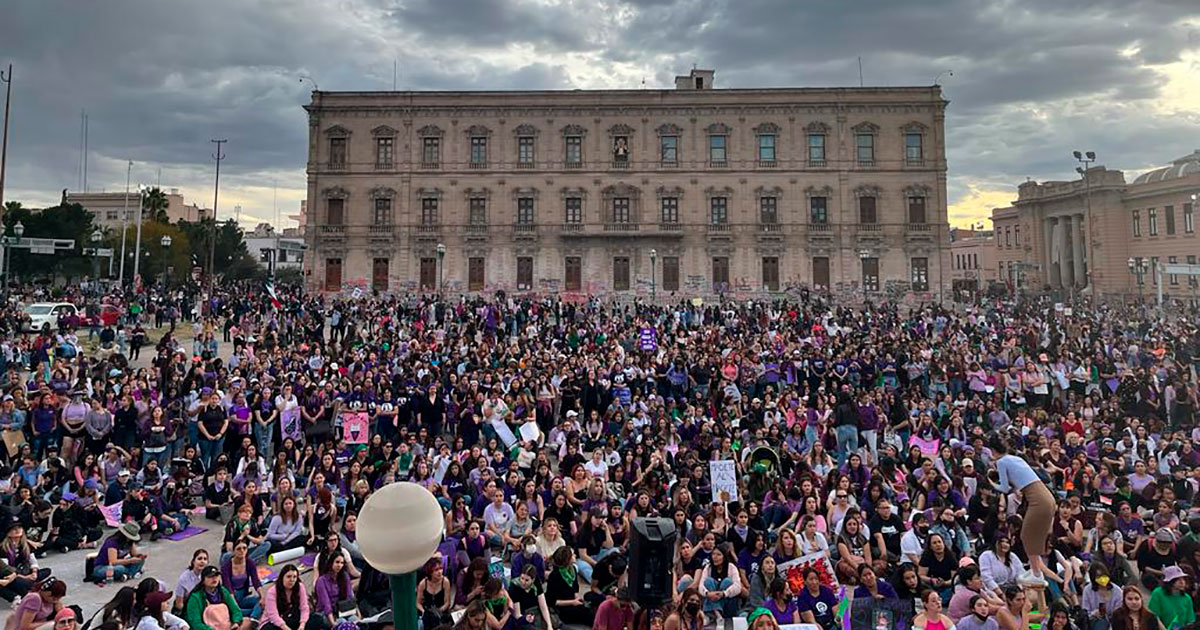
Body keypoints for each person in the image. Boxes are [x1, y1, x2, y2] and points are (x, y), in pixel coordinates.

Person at [991, 437, 1056, 586]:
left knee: (1026, 535)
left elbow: (1005, 488)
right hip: (1047, 496)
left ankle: (1037, 573)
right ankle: (1035, 570)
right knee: (1035, 536)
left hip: (1039, 500)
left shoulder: (1001, 462)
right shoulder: (1015, 458)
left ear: (994, 451)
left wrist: (990, 482)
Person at [184, 565, 247, 630]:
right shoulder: (195, 598)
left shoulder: (223, 591)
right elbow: (195, 623)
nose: (214, 579)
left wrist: (236, 622)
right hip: (207, 628)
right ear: (203, 580)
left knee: (248, 622)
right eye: (210, 576)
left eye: (216, 576)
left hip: (227, 626)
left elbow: (235, 610)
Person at [546, 546, 590, 625]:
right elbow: (552, 601)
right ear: (567, 559)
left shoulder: (572, 569)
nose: (575, 555)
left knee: (587, 609)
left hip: (573, 601)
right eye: (573, 555)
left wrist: (577, 598)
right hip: (562, 606)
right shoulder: (554, 576)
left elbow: (575, 587)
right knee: (585, 614)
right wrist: (572, 602)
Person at [261, 564, 311, 630]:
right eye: (288, 577)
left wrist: (302, 625)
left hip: (293, 617)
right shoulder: (272, 592)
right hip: (275, 622)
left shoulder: (300, 587)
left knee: (316, 618)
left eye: (294, 577)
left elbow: (304, 608)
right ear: (282, 578)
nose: (292, 580)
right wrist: (286, 628)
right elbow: (273, 615)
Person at [416, 558, 451, 630]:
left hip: (441, 612)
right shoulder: (423, 583)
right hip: (427, 612)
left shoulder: (445, 582)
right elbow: (418, 603)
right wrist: (424, 611)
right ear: (430, 572)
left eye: (441, 569)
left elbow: (447, 602)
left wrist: (439, 611)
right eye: (436, 570)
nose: (440, 572)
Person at [174, 549, 209, 614]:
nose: (202, 561)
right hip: (189, 608)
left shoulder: (209, 575)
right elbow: (179, 604)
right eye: (199, 559)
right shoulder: (184, 578)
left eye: (205, 559)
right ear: (193, 561)